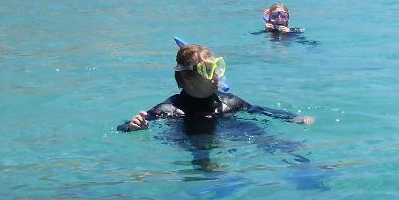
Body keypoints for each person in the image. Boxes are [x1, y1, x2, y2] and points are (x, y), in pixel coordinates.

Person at [120, 43, 314, 132]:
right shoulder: (169, 110)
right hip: (187, 137)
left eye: (217, 67)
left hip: (229, 131)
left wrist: (293, 118)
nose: (216, 74)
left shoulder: (229, 102)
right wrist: (132, 126)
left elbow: (260, 110)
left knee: (266, 139)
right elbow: (123, 127)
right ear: (187, 79)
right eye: (208, 70)